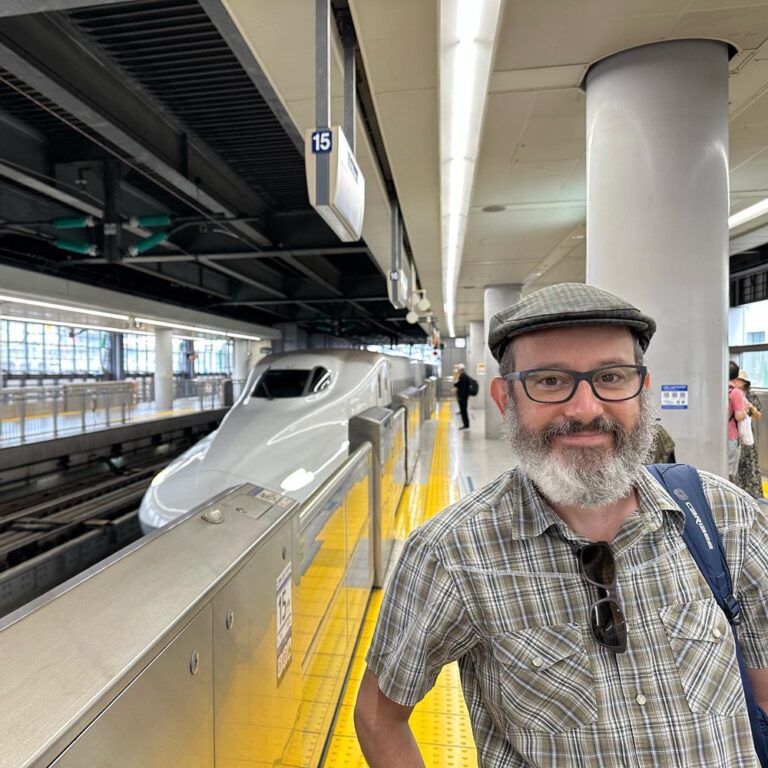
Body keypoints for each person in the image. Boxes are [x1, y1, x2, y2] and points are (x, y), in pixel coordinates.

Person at [355, 282, 768, 767]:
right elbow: (379, 715)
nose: (585, 409)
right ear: (506, 399)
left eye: (611, 377)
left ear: (643, 389)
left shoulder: (725, 518)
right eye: (549, 381)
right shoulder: (452, 553)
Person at [735, 370, 764, 498]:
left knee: (750, 464)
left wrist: (751, 408)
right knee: (737, 465)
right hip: (734, 434)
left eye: (740, 380)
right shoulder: (730, 393)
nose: (738, 383)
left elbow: (758, 416)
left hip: (747, 435)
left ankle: (753, 494)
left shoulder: (751, 396)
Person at [729, 361, 748, 482]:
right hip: (731, 436)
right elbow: (738, 416)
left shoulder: (717, 388)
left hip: (715, 436)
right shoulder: (735, 392)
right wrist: (746, 410)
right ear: (736, 376)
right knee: (729, 472)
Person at [453, 363, 470, 430]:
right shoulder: (465, 376)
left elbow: (457, 384)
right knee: (464, 410)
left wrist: (456, 376)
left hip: (462, 396)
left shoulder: (462, 376)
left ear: (460, 369)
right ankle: (466, 424)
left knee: (463, 410)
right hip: (464, 396)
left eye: (458, 369)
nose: (457, 370)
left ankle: (466, 424)